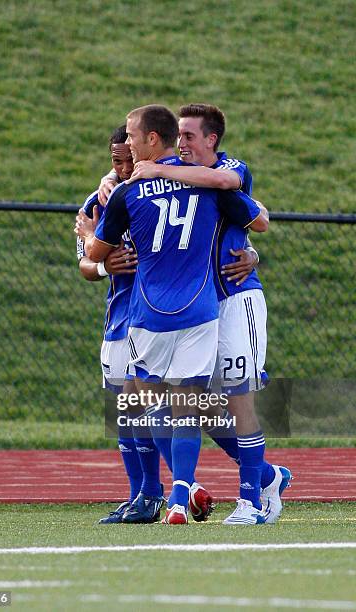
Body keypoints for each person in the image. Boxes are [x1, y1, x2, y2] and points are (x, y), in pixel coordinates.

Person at [78, 104, 268, 524]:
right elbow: (257, 217)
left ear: (150, 141)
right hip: (198, 310)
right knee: (184, 406)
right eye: (116, 155)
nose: (124, 152)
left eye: (129, 141)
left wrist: (92, 238)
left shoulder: (184, 182)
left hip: (156, 312)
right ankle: (178, 493)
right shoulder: (190, 186)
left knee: (160, 402)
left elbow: (89, 254)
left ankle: (248, 492)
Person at [127, 103, 292, 525]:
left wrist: (252, 253)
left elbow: (255, 214)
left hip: (238, 300)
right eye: (177, 135)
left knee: (240, 399)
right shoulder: (181, 184)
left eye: (188, 136)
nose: (179, 143)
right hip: (202, 310)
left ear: (211, 140)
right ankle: (269, 476)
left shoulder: (224, 173)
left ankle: (251, 501)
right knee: (199, 407)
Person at [76, 125, 163, 524]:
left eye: (131, 158)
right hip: (118, 319)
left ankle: (157, 492)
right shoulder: (98, 202)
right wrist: (101, 262)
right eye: (117, 161)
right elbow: (83, 264)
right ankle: (137, 496)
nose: (125, 167)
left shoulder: (163, 193)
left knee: (148, 408)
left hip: (156, 319)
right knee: (122, 413)